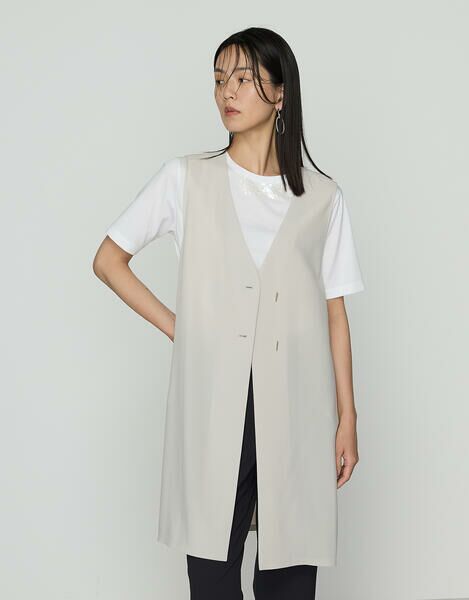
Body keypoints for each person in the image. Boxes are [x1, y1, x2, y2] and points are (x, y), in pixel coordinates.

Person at [93, 27, 365, 600]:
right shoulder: (187, 178)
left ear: (281, 92)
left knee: (291, 572)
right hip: (216, 402)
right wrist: (181, 328)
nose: (227, 92)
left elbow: (335, 312)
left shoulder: (322, 197)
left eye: (244, 78)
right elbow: (109, 260)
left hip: (296, 403)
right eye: (219, 79)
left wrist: (347, 417)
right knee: (212, 573)